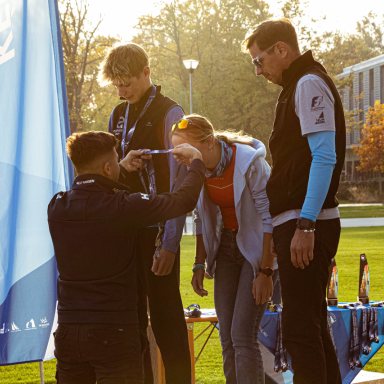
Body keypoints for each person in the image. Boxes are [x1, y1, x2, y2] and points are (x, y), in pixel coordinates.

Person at [47, 131, 205, 384]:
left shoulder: (57, 206)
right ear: (107, 167)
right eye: (116, 158)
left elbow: (93, 188)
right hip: (114, 333)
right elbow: (183, 200)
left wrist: (118, 167)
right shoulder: (123, 207)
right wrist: (196, 162)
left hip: (69, 331)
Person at [243, 18, 345, 384]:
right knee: (311, 329)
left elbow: (325, 156)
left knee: (301, 331)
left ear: (281, 50)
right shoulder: (297, 85)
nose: (259, 71)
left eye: (259, 61)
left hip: (305, 224)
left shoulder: (307, 83)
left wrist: (306, 222)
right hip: (299, 221)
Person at [98, 43, 190, 383]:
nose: (122, 91)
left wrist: (169, 244)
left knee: (168, 322)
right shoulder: (117, 115)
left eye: (128, 83)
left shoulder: (171, 112)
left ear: (146, 73)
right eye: (117, 85)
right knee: (132, 322)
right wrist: (121, 165)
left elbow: (179, 181)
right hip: (126, 231)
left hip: (158, 230)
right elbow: (110, 173)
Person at [170, 115, 276, 384]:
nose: (178, 157)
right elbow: (200, 216)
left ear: (208, 143)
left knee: (242, 335)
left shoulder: (250, 164)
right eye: (175, 150)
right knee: (227, 337)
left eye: (184, 150)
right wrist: (199, 262)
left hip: (256, 252)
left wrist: (266, 271)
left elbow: (269, 218)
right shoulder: (197, 168)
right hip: (226, 251)